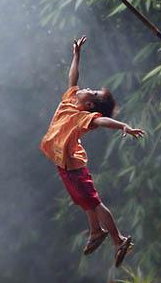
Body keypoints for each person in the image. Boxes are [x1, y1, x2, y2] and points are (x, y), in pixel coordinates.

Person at [41, 35, 145, 268]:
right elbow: (73, 78)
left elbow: (102, 122)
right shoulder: (69, 100)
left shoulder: (84, 117)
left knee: (94, 203)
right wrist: (76, 55)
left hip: (73, 168)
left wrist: (123, 126)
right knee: (84, 201)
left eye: (92, 92)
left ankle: (118, 239)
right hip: (65, 165)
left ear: (89, 105)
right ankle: (96, 230)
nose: (85, 88)